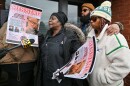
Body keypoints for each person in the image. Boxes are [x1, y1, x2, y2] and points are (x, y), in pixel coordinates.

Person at [35, 11, 86, 86]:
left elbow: (78, 57)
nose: (49, 20)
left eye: (53, 18)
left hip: (61, 80)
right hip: (46, 79)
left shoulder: (69, 37)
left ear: (60, 22)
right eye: (49, 18)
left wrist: (67, 72)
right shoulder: (47, 36)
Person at [87, 1, 130, 86]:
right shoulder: (90, 36)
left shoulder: (115, 37)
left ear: (104, 20)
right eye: (90, 19)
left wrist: (104, 79)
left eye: (95, 18)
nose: (91, 21)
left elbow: (125, 64)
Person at [0, 22, 38, 86]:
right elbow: (10, 44)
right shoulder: (12, 23)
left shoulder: (28, 25)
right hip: (18, 64)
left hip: (25, 63)